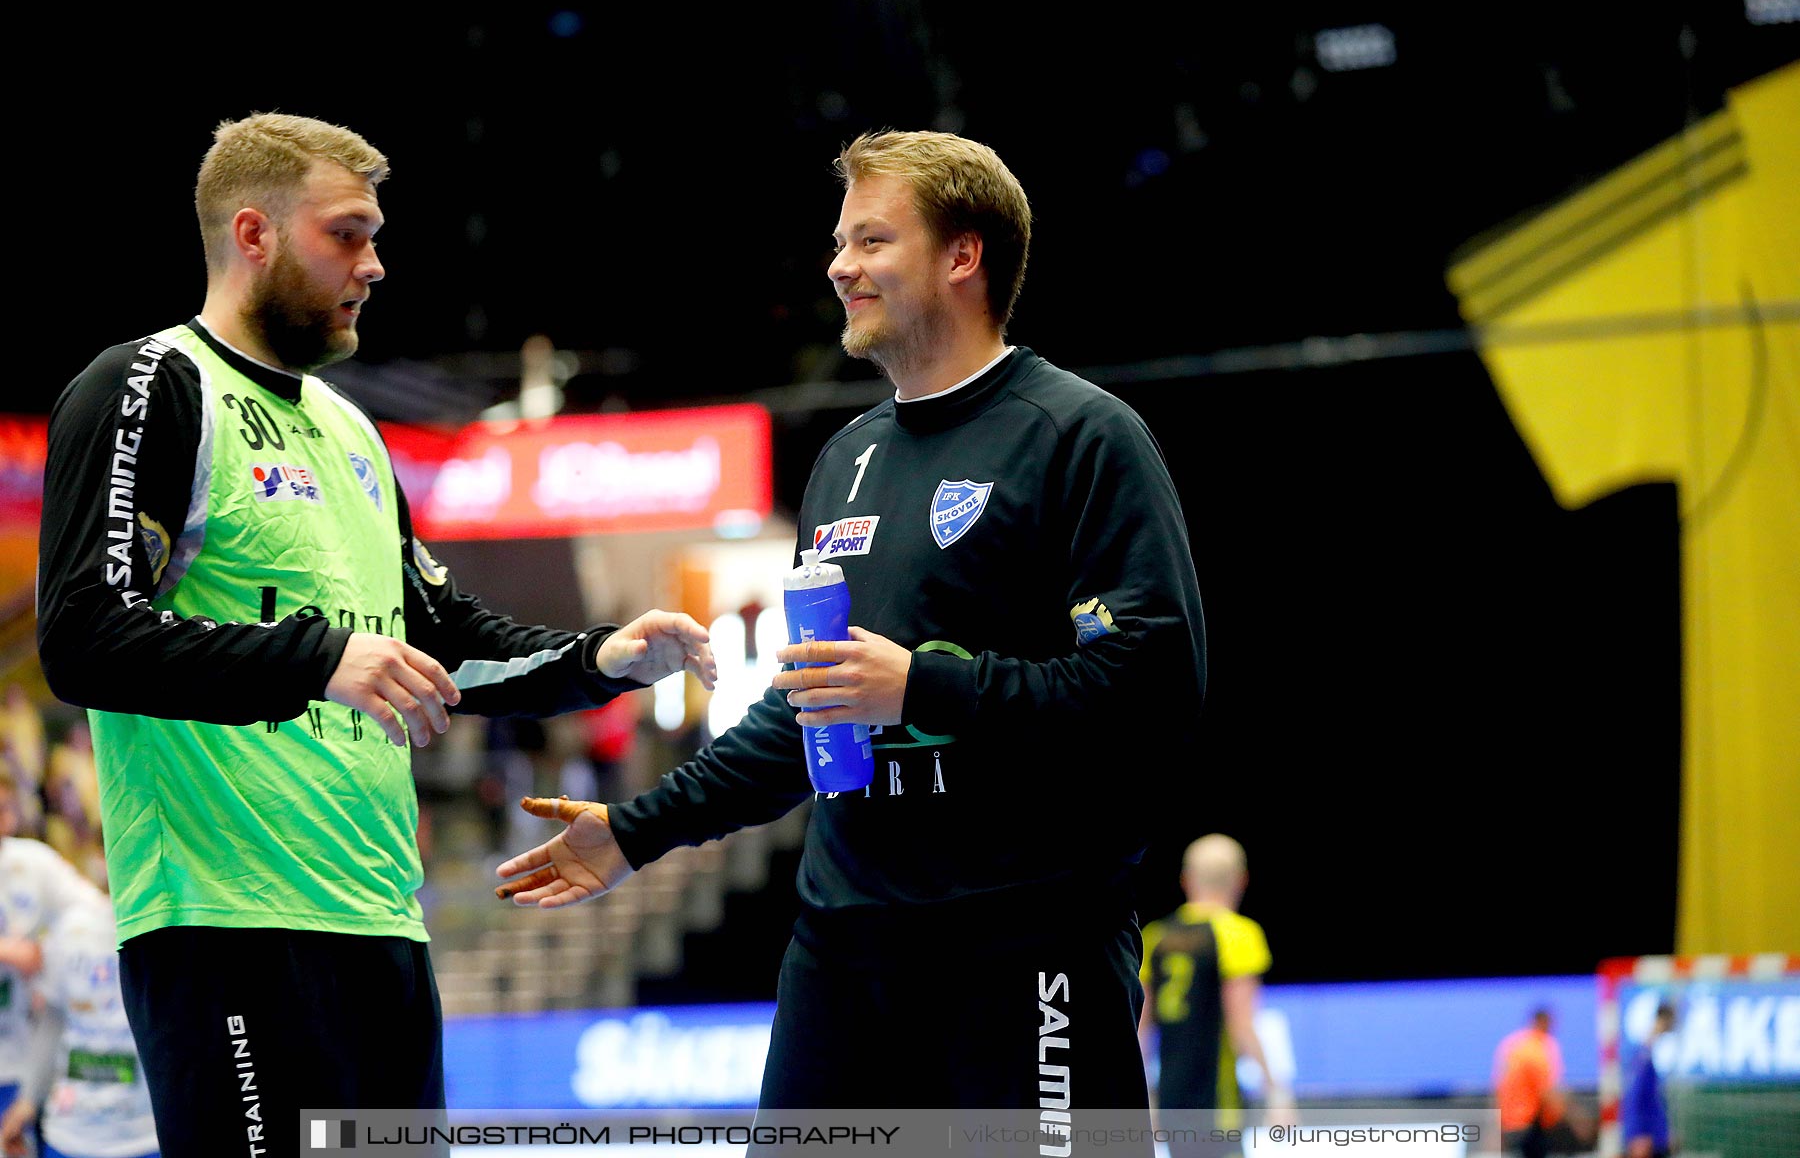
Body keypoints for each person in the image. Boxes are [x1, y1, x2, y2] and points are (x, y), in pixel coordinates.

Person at [34, 113, 718, 1157]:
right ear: (254, 233)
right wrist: (316, 657)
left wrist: (599, 659)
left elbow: (434, 638)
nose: (376, 263)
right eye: (348, 235)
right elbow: (84, 636)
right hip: (226, 927)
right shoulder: (151, 385)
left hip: (380, 927)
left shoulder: (352, 432)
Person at [497, 130, 1207, 1114]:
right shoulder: (846, 461)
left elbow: (1148, 686)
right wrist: (637, 831)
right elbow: (810, 710)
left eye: (872, 241)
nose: (840, 266)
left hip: (1029, 943)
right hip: (845, 948)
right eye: (841, 242)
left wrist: (922, 686)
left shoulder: (1081, 437)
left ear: (964, 256)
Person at [1139, 834, 1290, 1141]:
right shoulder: (1238, 935)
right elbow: (1241, 1026)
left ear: (1186, 880)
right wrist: (1277, 1094)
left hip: (1170, 1099)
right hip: (1217, 1102)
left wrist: (1146, 1101)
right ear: (1241, 880)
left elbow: (1140, 1034)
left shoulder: (1154, 937)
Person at [1, 881, 159, 1158]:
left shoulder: (174, 933)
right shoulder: (72, 928)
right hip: (70, 1134)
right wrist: (29, 1099)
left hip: (147, 1136)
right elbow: (52, 1022)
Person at [0, 767, 105, 1157]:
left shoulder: (31, 861)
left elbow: (96, 910)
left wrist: (52, 951)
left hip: (24, 1055)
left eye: (6, 809)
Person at [1494, 1007, 1568, 1158]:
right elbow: (1546, 1091)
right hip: (1530, 1123)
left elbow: (1499, 1087)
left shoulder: (1512, 1046)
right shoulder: (1538, 1049)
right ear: (1544, 1022)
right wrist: (1569, 1120)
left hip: (1510, 1123)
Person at [1620, 1001, 1676, 1158]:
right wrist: (1638, 1134)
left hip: (1654, 1137)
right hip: (1646, 1140)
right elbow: (1636, 1095)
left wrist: (1665, 1132)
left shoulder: (1648, 1054)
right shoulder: (1643, 1056)